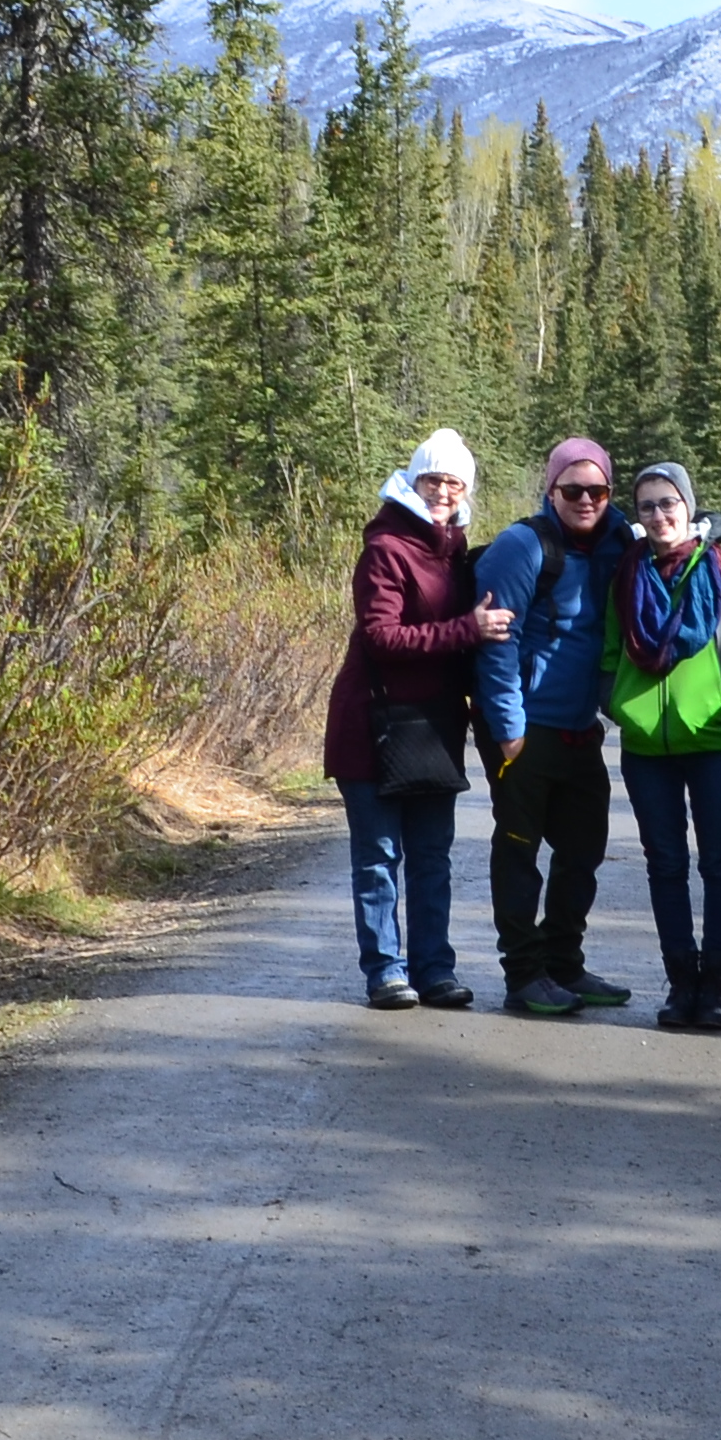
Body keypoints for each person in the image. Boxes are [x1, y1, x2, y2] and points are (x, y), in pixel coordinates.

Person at [320, 429, 510, 1011]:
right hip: (371, 727)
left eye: (455, 481)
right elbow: (381, 638)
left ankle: (434, 970)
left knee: (432, 857)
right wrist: (466, 631)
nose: (444, 490)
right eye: (434, 479)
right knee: (379, 858)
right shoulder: (385, 549)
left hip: (431, 728)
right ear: (412, 480)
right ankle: (385, 971)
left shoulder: (456, 554)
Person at [605, 458, 721, 1033]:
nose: (658, 515)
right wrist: (622, 708)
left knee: (720, 863)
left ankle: (715, 986)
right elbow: (609, 657)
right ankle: (681, 982)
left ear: (689, 506)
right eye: (647, 505)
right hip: (646, 751)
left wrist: (707, 706)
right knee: (665, 865)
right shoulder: (625, 574)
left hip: (716, 744)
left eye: (668, 503)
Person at [473, 437, 636, 1018]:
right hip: (525, 729)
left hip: (579, 729)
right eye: (573, 489)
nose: (586, 499)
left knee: (583, 849)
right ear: (552, 489)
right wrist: (509, 728)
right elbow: (498, 640)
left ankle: (565, 962)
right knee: (518, 851)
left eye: (597, 489)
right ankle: (524, 973)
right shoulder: (523, 546)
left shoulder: (620, 541)